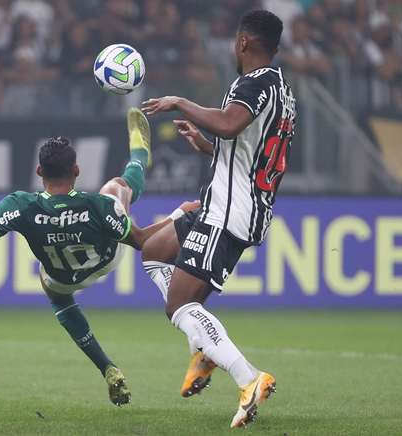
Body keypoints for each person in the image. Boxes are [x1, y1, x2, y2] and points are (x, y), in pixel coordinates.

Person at [0, 108, 199, 405]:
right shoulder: (96, 206)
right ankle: (139, 156)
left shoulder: (20, 206)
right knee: (118, 186)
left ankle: (107, 367)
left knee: (56, 293)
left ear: (38, 171)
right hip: (106, 259)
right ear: (76, 170)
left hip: (59, 278)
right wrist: (177, 216)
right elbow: (144, 241)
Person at [140, 10, 296, 428]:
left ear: (244, 42)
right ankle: (205, 349)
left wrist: (181, 103)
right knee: (153, 252)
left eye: (234, 39)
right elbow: (252, 154)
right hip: (229, 203)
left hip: (228, 212)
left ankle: (249, 378)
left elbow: (230, 125)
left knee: (180, 305)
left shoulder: (254, 82)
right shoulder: (282, 90)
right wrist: (208, 147)